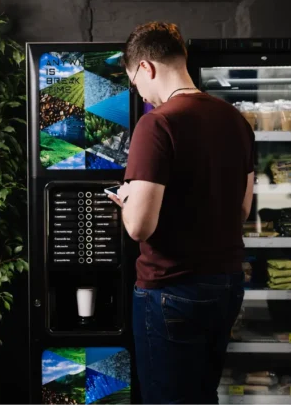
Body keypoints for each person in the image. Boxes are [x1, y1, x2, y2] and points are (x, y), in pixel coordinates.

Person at [107, 22, 255, 405]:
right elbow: (241, 209)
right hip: (226, 286)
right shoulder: (236, 121)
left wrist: (127, 205)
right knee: (203, 396)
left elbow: (140, 227)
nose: (138, 92)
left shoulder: (156, 124)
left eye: (134, 82)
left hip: (171, 289)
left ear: (146, 68)